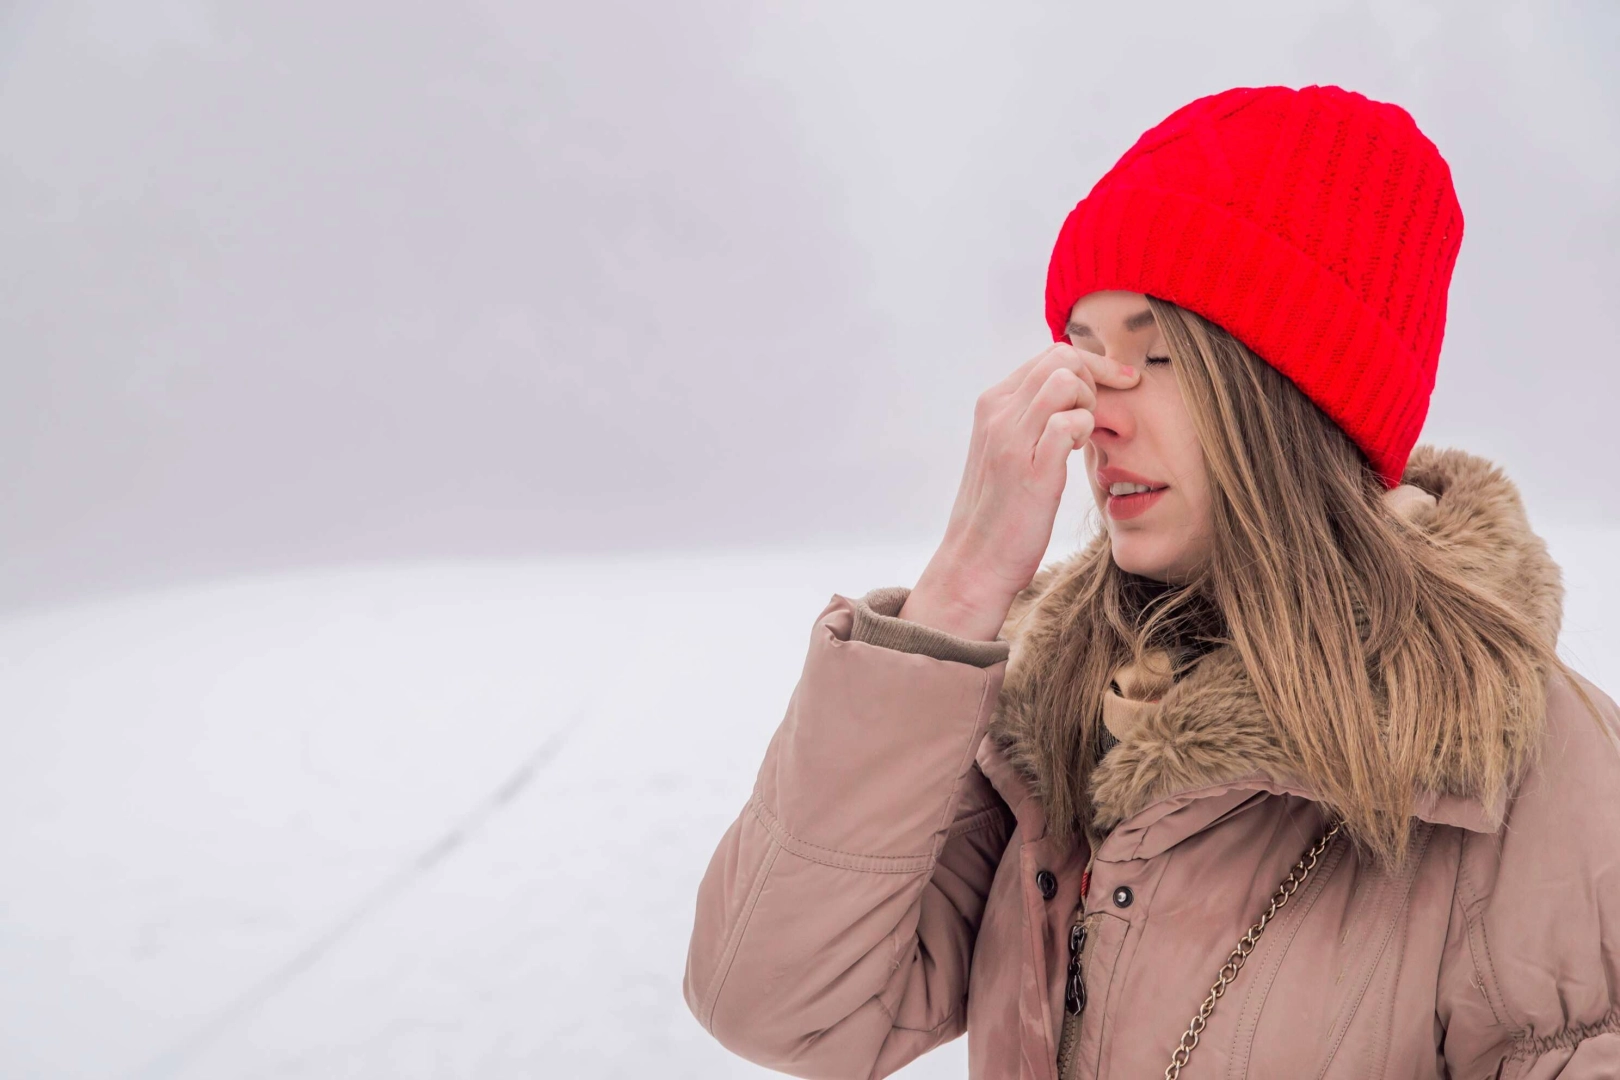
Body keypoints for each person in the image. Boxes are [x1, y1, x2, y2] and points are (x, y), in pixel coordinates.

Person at [681, 85, 1620, 1079]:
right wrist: (958, 592)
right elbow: (777, 1009)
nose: (1096, 412)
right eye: (1083, 357)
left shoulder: (1524, 765)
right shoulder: (1043, 712)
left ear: (1294, 394)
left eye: (1158, 354)